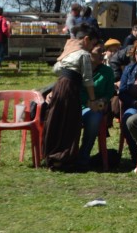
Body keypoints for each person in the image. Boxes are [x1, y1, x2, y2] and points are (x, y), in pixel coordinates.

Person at [42, 23, 99, 170]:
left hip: (59, 86)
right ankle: (63, 158)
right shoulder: (83, 54)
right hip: (70, 88)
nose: (92, 48)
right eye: (93, 44)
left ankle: (52, 156)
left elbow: (56, 69)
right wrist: (92, 100)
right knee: (69, 122)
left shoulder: (69, 52)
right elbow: (88, 79)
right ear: (86, 39)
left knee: (57, 119)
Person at [77, 43, 115, 171]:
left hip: (95, 108)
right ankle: (66, 155)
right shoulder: (78, 69)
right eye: (99, 51)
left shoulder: (107, 71)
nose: (103, 54)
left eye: (104, 51)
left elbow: (109, 92)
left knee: (93, 117)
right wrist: (87, 102)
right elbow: (74, 90)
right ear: (89, 52)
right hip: (77, 105)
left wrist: (103, 100)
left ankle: (83, 157)